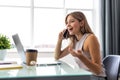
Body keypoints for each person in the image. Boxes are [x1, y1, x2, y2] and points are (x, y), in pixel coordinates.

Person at [54, 11, 105, 76]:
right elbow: (57, 56)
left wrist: (81, 57)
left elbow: (98, 70)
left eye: (72, 21)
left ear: (81, 23)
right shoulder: (74, 41)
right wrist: (59, 40)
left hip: (96, 77)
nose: (68, 25)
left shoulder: (90, 39)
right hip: (84, 76)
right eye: (67, 23)